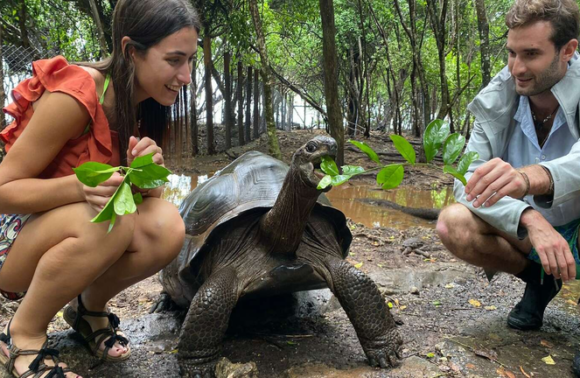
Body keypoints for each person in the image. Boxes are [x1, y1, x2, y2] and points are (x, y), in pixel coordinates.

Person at [0, 0, 200, 376]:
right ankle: (21, 334)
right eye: (174, 60)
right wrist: (80, 187)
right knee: (113, 220)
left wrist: (147, 175)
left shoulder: (147, 104)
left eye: (191, 59)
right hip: (10, 241)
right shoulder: (77, 93)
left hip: (64, 233)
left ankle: (88, 310)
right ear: (130, 51)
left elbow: (143, 203)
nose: (186, 75)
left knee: (166, 224)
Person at [436, 0, 580, 373]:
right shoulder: (496, 98)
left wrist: (530, 178)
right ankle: (539, 281)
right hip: (534, 230)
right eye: (512, 53)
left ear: (568, 50)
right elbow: (468, 180)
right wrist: (529, 216)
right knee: (452, 221)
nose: (517, 68)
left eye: (531, 54)